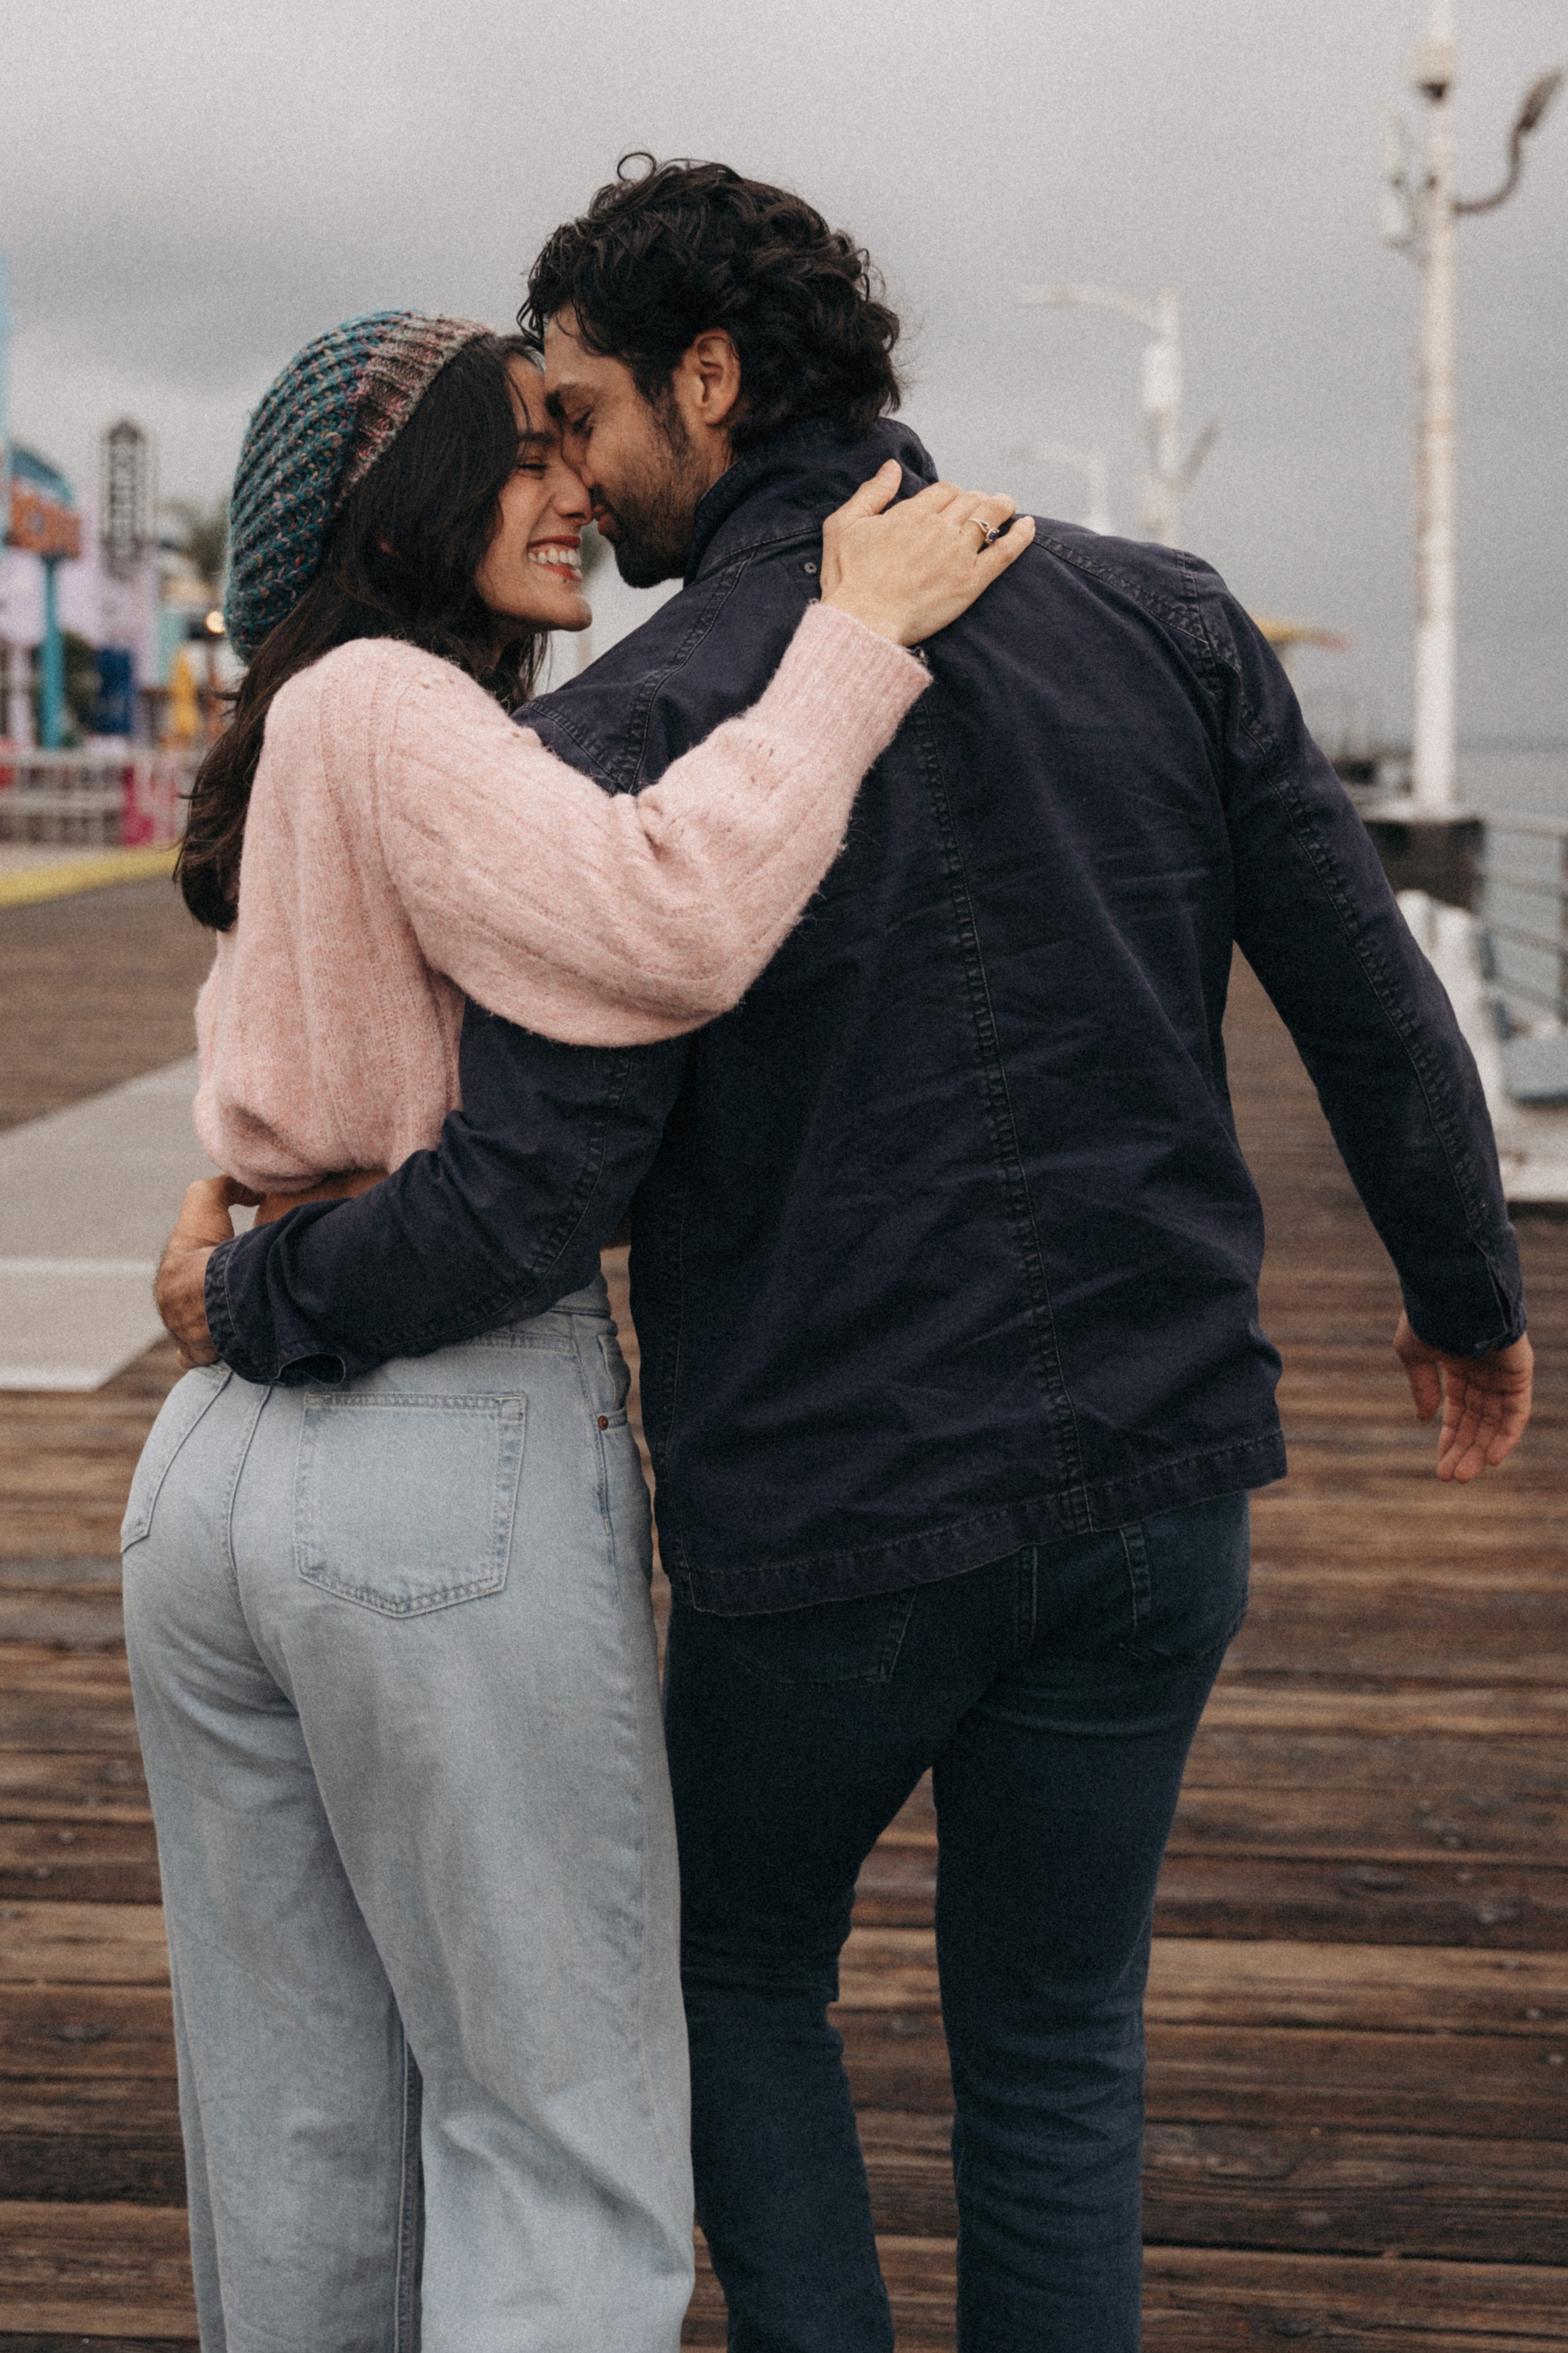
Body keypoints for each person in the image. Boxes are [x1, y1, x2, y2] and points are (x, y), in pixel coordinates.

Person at [158, 167, 1534, 2353]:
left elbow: (530, 1197)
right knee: (1062, 2045)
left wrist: (256, 1288)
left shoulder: (618, 734)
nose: (575, 477)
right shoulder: (1170, 619)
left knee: (729, 1971)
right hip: (1166, 1483)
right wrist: (1468, 1293)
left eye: (586, 414)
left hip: (830, 1520)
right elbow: (1376, 1004)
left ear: (710, 381)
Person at [124, 304, 1029, 2353]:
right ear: (399, 492)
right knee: (560, 2154)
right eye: (517, 447)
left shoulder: (304, 733)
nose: (572, 487)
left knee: (299, 2152)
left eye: (567, 437)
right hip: (431, 1453)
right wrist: (852, 646)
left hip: (226, 1472)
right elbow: (674, 918)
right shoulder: (394, 699)